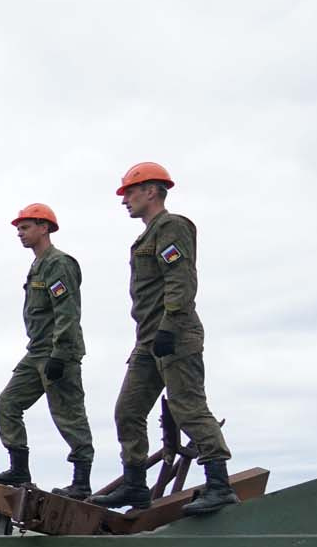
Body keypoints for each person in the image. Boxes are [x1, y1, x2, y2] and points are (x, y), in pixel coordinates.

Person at [90, 161, 237, 516]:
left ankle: (219, 484)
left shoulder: (172, 226)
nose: (124, 200)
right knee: (128, 410)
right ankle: (135, 485)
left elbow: (180, 279)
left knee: (187, 406)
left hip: (175, 332)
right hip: (148, 339)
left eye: (130, 192)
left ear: (152, 190)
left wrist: (171, 326)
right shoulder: (147, 234)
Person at [0, 202, 94, 496]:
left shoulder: (59, 263)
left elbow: (67, 312)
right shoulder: (37, 265)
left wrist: (60, 355)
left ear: (44, 227)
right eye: (19, 229)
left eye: (25, 227)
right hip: (36, 352)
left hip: (58, 352)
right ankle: (19, 469)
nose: (20, 233)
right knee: (7, 404)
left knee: (68, 415)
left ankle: (81, 482)